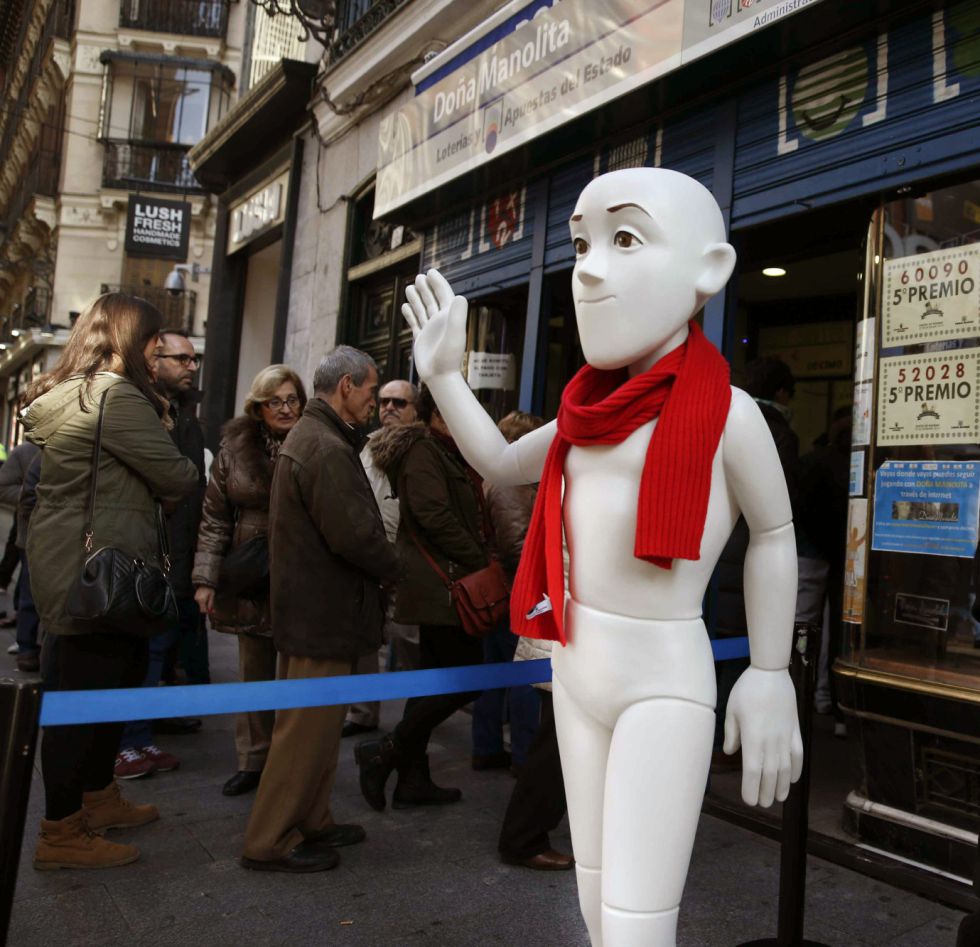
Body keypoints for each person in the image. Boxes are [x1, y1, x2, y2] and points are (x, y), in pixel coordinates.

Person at [401, 167, 802, 946]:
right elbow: (498, 459)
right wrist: (445, 377)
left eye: (624, 238)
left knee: (637, 917)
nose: (587, 266)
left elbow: (777, 533)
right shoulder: (587, 414)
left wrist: (771, 670)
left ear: (708, 271)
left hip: (663, 677)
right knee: (593, 897)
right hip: (578, 668)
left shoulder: (728, 415)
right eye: (583, 242)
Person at [23, 292, 198, 870]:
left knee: (104, 685)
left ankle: (96, 801)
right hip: (95, 569)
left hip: (77, 561)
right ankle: (60, 833)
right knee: (81, 700)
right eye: (153, 345)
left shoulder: (81, 391)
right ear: (128, 341)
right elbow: (176, 475)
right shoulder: (113, 397)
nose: (157, 357)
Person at [241, 346, 400, 873]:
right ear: (348, 386)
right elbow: (354, 535)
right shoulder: (324, 446)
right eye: (373, 391)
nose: (375, 402)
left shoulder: (317, 438)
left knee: (318, 728)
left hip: (314, 609)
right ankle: (270, 839)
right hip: (319, 612)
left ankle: (312, 818)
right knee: (303, 734)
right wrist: (397, 565)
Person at [355, 384, 493, 810]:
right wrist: (480, 561)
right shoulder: (425, 451)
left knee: (433, 681)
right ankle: (384, 751)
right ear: (438, 413)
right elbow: (433, 515)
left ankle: (412, 777)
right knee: (466, 677)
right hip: (443, 587)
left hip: (446, 585)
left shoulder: (452, 451)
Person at [193, 364, 306, 797]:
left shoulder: (314, 444)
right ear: (257, 408)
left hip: (300, 570)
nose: (284, 408)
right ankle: (253, 760)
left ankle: (291, 761)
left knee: (299, 674)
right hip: (250, 570)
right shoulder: (233, 452)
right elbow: (214, 519)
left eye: (292, 399)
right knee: (253, 671)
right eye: (274, 401)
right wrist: (206, 578)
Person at [114, 330, 209, 779]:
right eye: (182, 359)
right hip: (143, 559)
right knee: (141, 655)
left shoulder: (186, 415)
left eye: (195, 360)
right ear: (154, 362)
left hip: (177, 560)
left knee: (160, 654)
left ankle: (140, 734)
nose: (192, 366)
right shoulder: (140, 411)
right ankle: (126, 743)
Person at [343, 378, 421, 738]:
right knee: (364, 640)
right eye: (384, 400)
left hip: (408, 562)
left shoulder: (422, 448)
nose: (388, 407)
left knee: (410, 645)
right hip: (368, 557)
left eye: (399, 402)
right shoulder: (366, 445)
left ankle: (413, 723)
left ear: (415, 410)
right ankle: (362, 712)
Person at [472, 410, 545, 773]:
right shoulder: (511, 483)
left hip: (503, 588)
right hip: (517, 589)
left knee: (497, 672)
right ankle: (522, 755)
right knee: (521, 677)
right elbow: (516, 543)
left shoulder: (502, 479)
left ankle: (487, 747)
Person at [0, 439, 40, 671]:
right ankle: (26, 646)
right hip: (31, 536)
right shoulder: (26, 451)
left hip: (67, 538)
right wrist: (37, 497)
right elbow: (4, 487)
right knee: (29, 590)